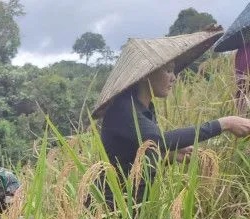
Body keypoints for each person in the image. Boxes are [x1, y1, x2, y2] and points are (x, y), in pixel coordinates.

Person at [94, 30, 250, 208]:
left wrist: (170, 156)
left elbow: (135, 157)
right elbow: (159, 140)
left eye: (173, 71)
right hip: (109, 210)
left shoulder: (145, 109)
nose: (173, 77)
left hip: (133, 208)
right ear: (146, 74)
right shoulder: (124, 108)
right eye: (167, 71)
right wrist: (225, 123)